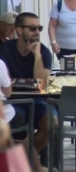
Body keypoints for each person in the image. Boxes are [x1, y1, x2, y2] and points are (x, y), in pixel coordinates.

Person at [0, 12, 55, 171]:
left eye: (39, 28)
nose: (37, 32)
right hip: (13, 103)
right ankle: (30, 164)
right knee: (17, 126)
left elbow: (41, 82)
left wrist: (37, 56)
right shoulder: (5, 49)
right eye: (32, 28)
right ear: (18, 30)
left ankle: (23, 160)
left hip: (38, 100)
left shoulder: (43, 51)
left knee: (52, 124)